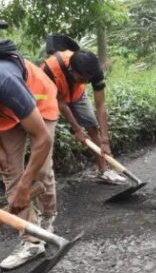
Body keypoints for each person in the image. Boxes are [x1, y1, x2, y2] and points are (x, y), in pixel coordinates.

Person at [0, 40, 60, 270]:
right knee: (10, 172)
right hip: (6, 111)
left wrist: (26, 185)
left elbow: (42, 139)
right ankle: (32, 240)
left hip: (37, 100)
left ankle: (48, 218)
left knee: (42, 171)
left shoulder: (1, 79)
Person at [41, 40, 128, 182]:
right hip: (50, 98)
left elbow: (100, 105)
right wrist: (77, 129)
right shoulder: (49, 69)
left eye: (88, 80)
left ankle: (104, 171)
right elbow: (60, 103)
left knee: (92, 127)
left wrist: (105, 140)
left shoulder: (94, 71)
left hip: (77, 96)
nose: (86, 82)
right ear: (71, 69)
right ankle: (44, 178)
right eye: (82, 79)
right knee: (45, 136)